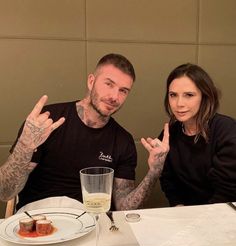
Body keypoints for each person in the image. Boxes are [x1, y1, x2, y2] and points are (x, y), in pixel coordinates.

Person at [0, 53, 169, 212]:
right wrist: (25, 146)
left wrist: (154, 173)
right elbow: (5, 192)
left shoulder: (123, 141)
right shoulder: (47, 122)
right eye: (109, 84)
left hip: (92, 224)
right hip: (39, 222)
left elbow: (124, 207)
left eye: (123, 90)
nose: (114, 96)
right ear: (91, 81)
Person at [159, 63, 236, 206]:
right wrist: (178, 205)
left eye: (189, 95)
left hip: (224, 214)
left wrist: (198, 223)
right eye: (173, 95)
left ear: (204, 96)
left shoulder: (227, 130)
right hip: (187, 215)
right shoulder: (169, 134)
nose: (179, 103)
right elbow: (168, 180)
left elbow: (227, 192)